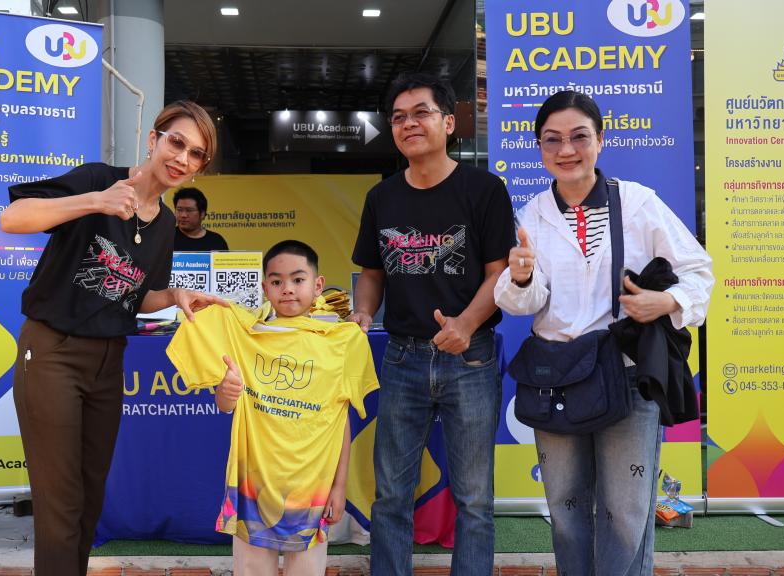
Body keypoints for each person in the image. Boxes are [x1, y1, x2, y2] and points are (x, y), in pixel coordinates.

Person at [0, 101, 226, 576]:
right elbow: (13, 217)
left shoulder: (166, 224)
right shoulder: (98, 179)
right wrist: (94, 202)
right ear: (153, 139)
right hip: (53, 352)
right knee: (60, 500)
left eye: (196, 154)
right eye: (177, 142)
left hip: (108, 361)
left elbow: (136, 296)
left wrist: (173, 295)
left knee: (89, 496)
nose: (182, 158)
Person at [493, 90, 713, 576]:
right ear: (539, 147)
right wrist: (522, 277)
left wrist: (666, 302)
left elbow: (698, 270)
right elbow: (524, 302)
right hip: (557, 380)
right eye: (552, 140)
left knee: (626, 515)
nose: (566, 150)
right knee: (566, 511)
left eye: (579, 137)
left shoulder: (637, 203)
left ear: (600, 140)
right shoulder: (532, 215)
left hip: (625, 376)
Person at [348, 72, 516, 575]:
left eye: (421, 113)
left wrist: (465, 323)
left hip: (471, 357)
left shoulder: (484, 189)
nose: (408, 124)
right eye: (398, 117)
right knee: (391, 496)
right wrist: (363, 312)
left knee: (474, 499)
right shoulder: (382, 197)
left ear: (448, 123)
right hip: (402, 357)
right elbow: (371, 272)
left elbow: (500, 272)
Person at [166, 240, 379, 576]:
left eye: (298, 279)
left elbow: (340, 419)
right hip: (252, 486)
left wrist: (339, 487)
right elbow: (225, 404)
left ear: (318, 284)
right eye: (277, 281)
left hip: (313, 489)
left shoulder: (342, 341)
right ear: (265, 288)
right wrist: (226, 392)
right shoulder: (244, 333)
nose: (287, 289)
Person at [174, 186, 229, 251]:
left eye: (189, 210)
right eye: (179, 210)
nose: (183, 215)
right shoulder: (167, 238)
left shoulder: (217, 241)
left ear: (202, 214)